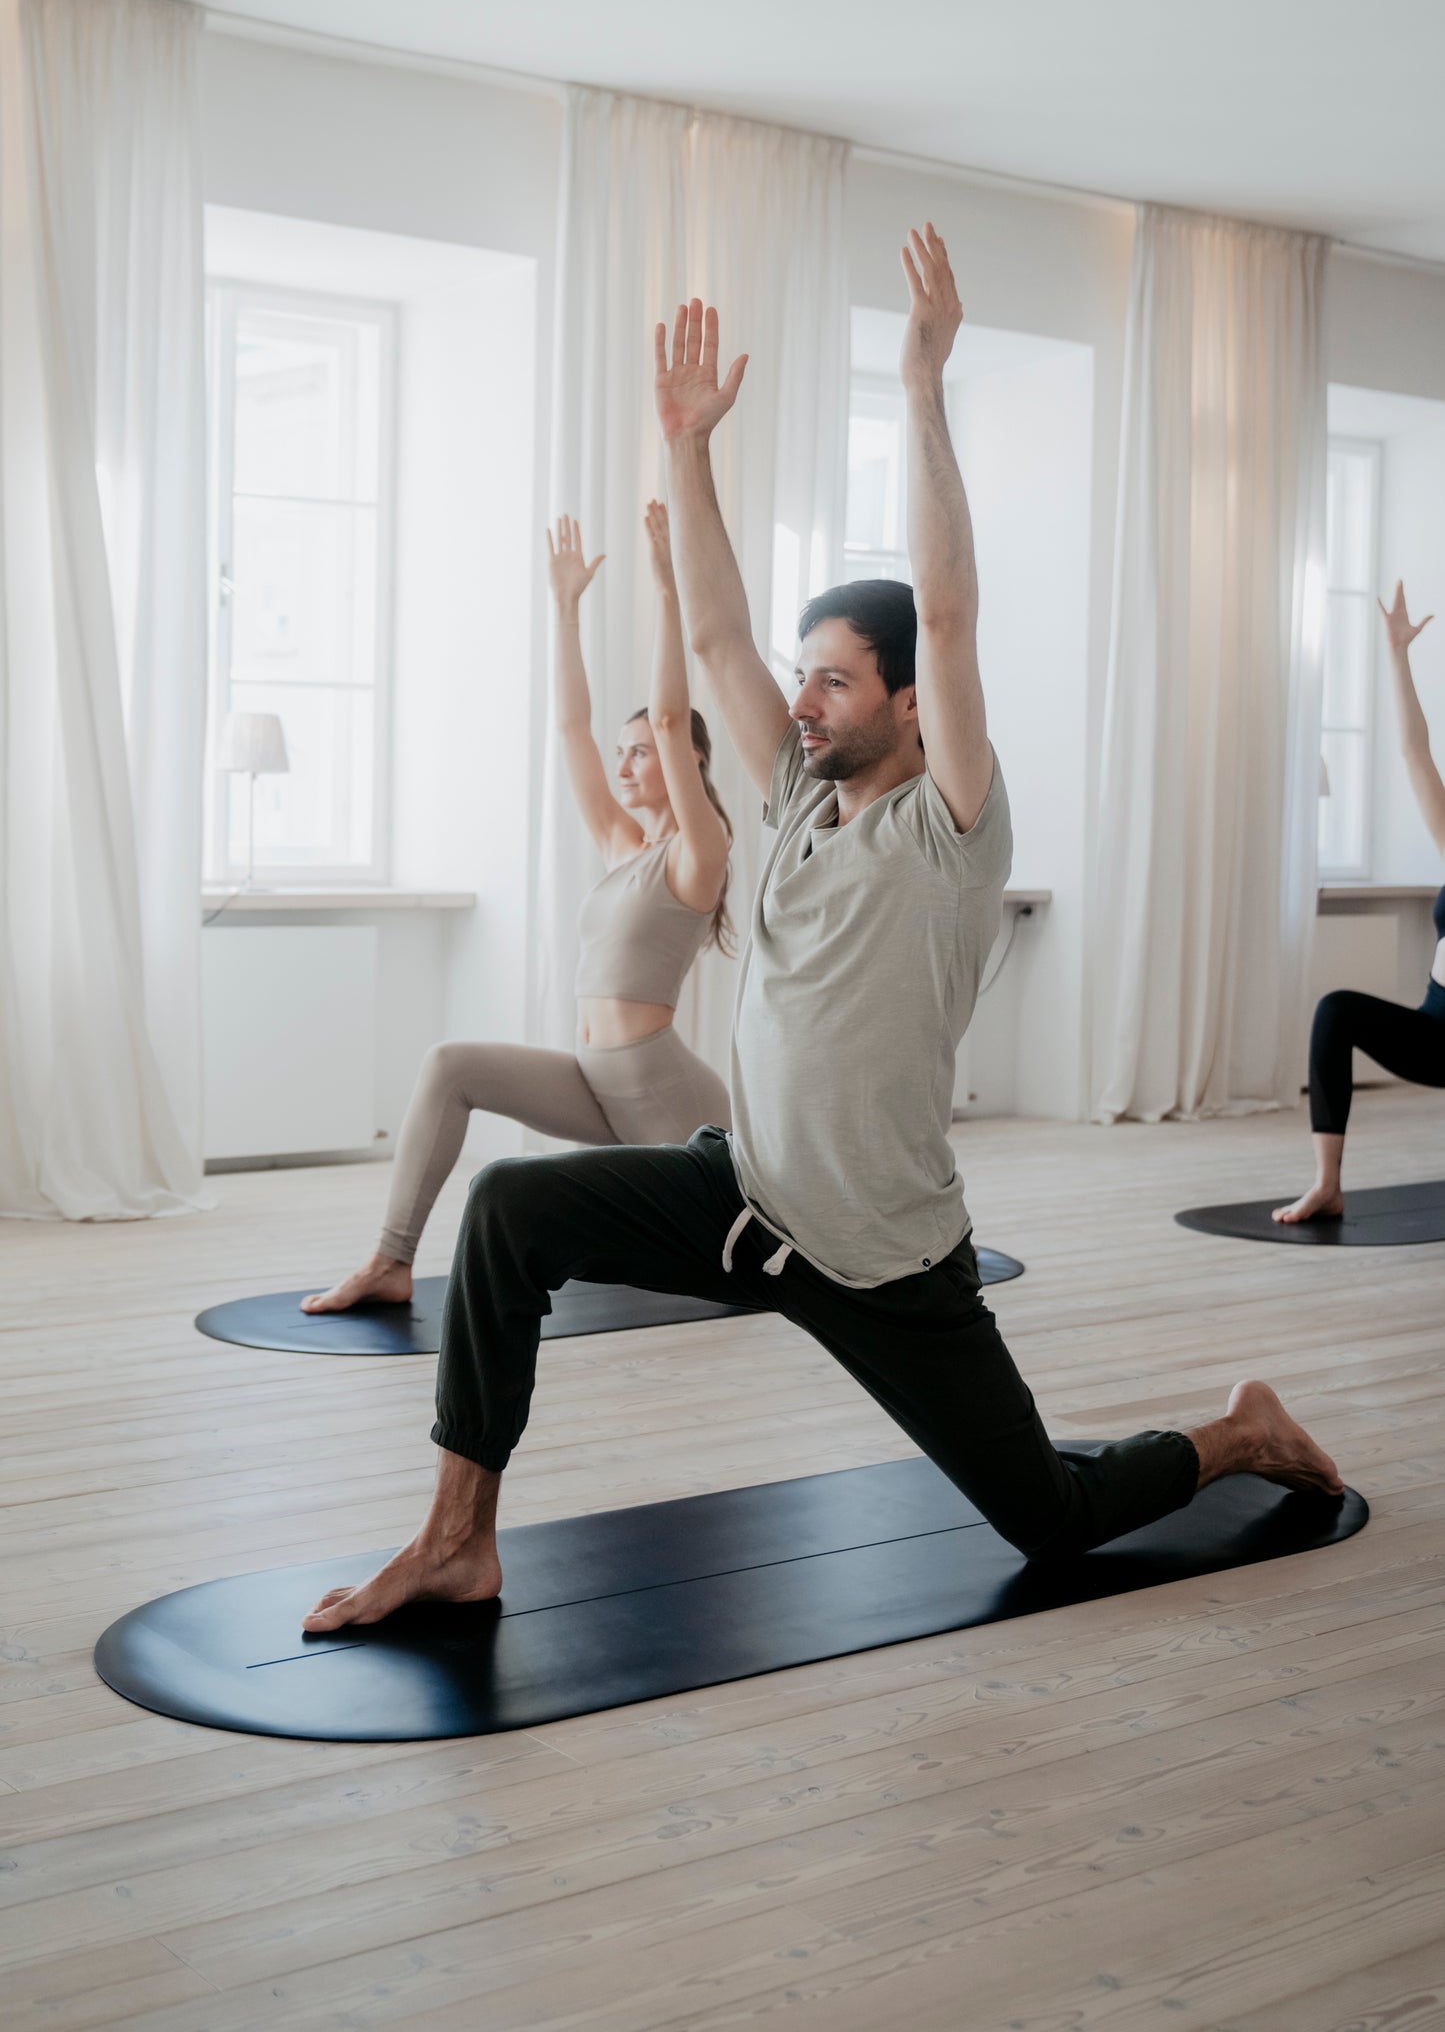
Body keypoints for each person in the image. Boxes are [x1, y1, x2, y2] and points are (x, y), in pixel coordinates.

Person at [303, 223, 1341, 1631]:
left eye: (837, 682)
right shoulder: (796, 800)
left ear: (910, 703)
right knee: (505, 1213)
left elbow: (954, 612)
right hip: (745, 1194)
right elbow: (721, 643)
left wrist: (919, 387)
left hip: (884, 1255)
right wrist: (686, 450)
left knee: (1051, 1521)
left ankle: (1239, 1431)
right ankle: (455, 1539)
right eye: (808, 679)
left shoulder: (955, 826)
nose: (804, 702)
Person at [300, 503, 733, 1313]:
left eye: (641, 751)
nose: (627, 763)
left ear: (687, 760)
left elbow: (671, 716)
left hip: (671, 1105)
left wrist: (670, 589)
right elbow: (570, 727)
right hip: (599, 1082)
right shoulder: (621, 845)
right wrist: (565, 611)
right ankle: (390, 1261)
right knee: (448, 1064)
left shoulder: (696, 855)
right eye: (623, 753)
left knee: (716, 1257)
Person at [1275, 580, 1445, 1223]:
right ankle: (1328, 1184)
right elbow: (1414, 752)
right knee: (1336, 1011)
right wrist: (1397, 656)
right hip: (1436, 1032)